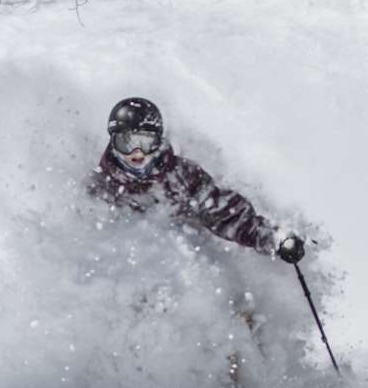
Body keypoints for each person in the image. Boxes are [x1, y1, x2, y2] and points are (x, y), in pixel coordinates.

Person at [89, 97, 306, 264]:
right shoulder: (103, 187)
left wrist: (272, 238)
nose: (137, 153)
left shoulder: (182, 176)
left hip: (185, 268)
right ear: (113, 144)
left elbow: (223, 214)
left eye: (146, 142)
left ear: (158, 142)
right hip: (131, 274)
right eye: (126, 143)